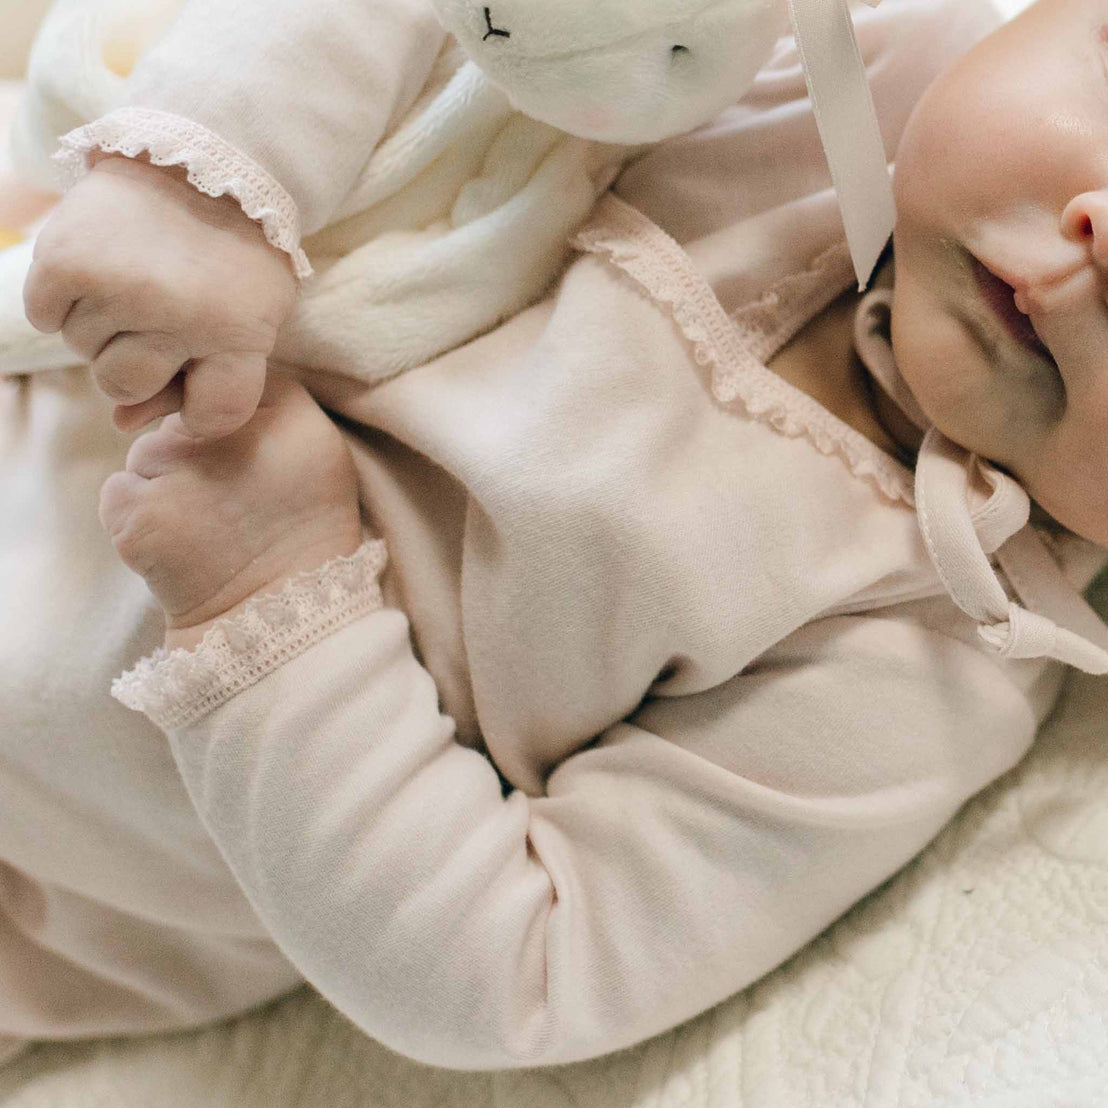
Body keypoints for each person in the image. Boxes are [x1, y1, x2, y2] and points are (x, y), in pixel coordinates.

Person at [4, 0, 1104, 1071]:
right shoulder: (817, 51)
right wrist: (199, 182)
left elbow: (516, 974)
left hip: (54, 876)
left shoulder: (931, 657)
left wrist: (265, 595)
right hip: (60, 284)